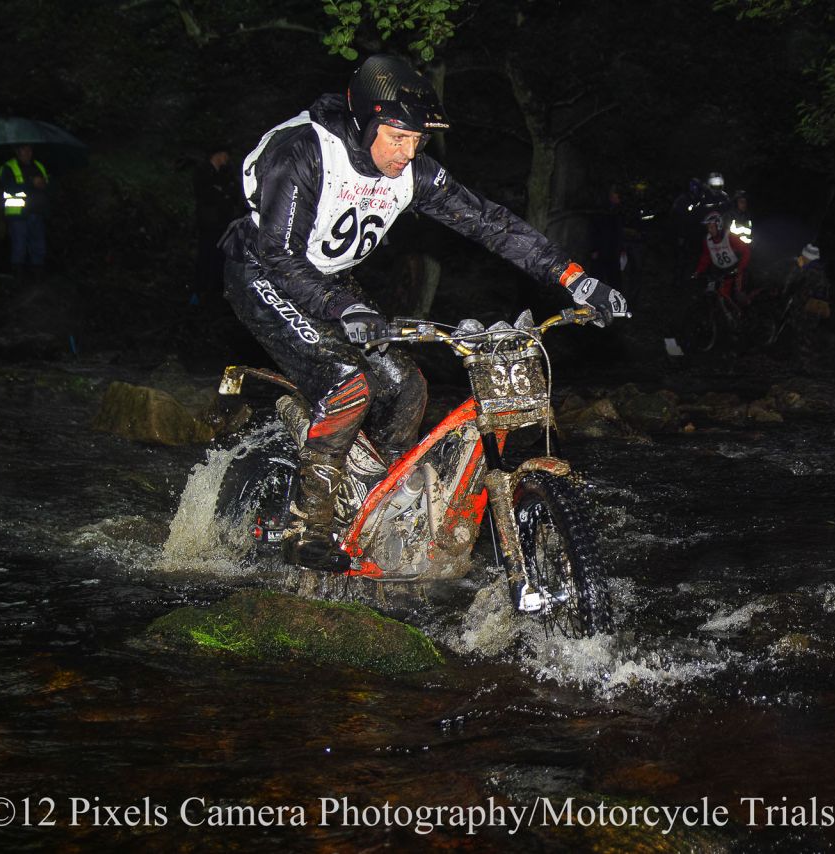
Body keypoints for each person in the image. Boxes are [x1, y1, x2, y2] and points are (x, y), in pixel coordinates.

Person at [220, 54, 628, 571]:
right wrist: (344, 306)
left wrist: (574, 278)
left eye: (417, 140)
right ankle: (309, 525)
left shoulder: (412, 171)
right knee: (347, 384)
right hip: (262, 271)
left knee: (407, 386)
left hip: (331, 281)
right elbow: (280, 255)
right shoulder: (304, 151)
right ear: (365, 124)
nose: (407, 153)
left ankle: (381, 503)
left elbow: (489, 222)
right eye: (397, 138)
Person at [191, 142, 243, 309]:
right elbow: (206, 195)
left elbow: (232, 193)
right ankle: (199, 290)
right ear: (218, 155)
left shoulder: (225, 174)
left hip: (222, 222)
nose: (227, 159)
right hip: (208, 222)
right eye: (225, 155)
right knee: (205, 254)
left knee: (220, 255)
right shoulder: (203, 171)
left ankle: (214, 290)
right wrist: (221, 194)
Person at [0, 144, 49, 280]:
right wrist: (31, 183)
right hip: (18, 214)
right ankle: (18, 276)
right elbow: (9, 188)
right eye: (24, 149)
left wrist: (43, 184)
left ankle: (37, 275)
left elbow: (48, 184)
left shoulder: (38, 165)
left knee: (38, 245)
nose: (28, 152)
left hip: (37, 211)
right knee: (19, 244)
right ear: (17, 151)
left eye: (29, 149)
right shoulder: (8, 167)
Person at [693, 210, 750, 304]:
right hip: (721, 272)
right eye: (708, 227)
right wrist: (698, 271)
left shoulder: (729, 237)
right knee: (721, 296)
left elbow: (746, 251)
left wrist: (740, 268)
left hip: (735, 270)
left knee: (739, 297)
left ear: (718, 225)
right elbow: (706, 256)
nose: (709, 230)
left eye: (711, 227)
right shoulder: (707, 240)